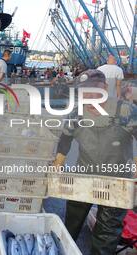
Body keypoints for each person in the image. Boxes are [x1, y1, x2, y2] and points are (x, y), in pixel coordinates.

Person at [53, 69, 137, 255]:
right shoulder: (77, 113)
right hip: (84, 177)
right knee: (71, 224)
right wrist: (58, 162)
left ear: (106, 88)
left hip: (117, 181)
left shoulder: (126, 110)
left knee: (106, 233)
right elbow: (65, 139)